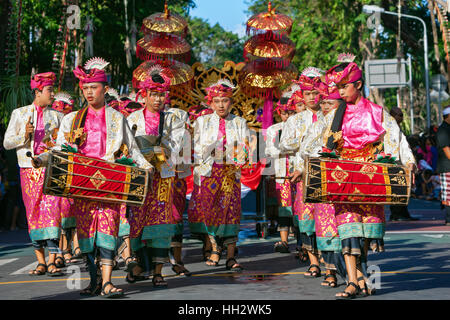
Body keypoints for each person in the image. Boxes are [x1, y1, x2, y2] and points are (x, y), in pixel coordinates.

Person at [35, 58, 152, 298]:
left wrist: (146, 166)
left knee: (108, 231)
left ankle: (108, 282)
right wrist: (41, 159)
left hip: (110, 183)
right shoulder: (72, 119)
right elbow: (60, 149)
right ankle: (94, 281)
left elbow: (133, 148)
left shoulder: (117, 119)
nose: (89, 92)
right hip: (82, 184)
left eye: (94, 88)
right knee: (87, 234)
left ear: (105, 89)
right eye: (85, 88)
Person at [299, 59, 415, 299]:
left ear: (358, 84)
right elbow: (312, 144)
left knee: (364, 233)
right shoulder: (334, 116)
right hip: (343, 177)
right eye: (338, 87)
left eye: (345, 86)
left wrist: (408, 161)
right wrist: (307, 164)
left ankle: (361, 275)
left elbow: (395, 137)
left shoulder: (377, 112)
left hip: (370, 178)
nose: (340, 91)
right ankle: (352, 281)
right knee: (348, 228)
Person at [126, 66, 186, 287]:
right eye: (154, 94)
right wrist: (144, 161)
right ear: (145, 95)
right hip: (140, 176)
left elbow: (176, 144)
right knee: (137, 221)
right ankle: (141, 264)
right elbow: (129, 146)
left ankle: (158, 271)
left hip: (164, 176)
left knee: (161, 221)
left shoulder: (174, 119)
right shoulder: (132, 118)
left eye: (162, 94)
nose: (158, 99)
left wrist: (155, 152)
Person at [3, 72, 65, 277]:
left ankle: (54, 259)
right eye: (49, 90)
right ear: (37, 92)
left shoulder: (57, 117)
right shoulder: (19, 113)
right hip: (28, 170)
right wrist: (25, 134)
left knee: (53, 213)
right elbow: (7, 143)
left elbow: (62, 146)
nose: (52, 94)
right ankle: (40, 261)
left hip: (50, 169)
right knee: (34, 214)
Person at [188, 79, 250, 272]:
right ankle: (215, 250)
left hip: (230, 175)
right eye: (217, 101)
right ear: (211, 102)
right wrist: (210, 150)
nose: (221, 104)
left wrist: (236, 155)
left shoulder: (239, 122)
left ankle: (230, 257)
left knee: (231, 213)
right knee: (210, 212)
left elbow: (246, 148)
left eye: (225, 100)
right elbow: (194, 149)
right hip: (208, 174)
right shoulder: (202, 122)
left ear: (231, 102)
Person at [280, 67, 325, 278]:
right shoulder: (295, 121)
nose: (312, 98)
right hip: (303, 175)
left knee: (327, 218)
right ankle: (314, 262)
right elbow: (285, 144)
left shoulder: (332, 115)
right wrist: (306, 140)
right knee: (306, 220)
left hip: (327, 174)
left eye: (315, 93)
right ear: (302, 95)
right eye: (307, 94)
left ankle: (328, 259)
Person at [265, 96, 296, 253]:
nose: (287, 116)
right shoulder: (274, 130)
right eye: (284, 113)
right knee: (284, 207)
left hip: (298, 170)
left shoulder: (300, 126)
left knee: (300, 206)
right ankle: (284, 241)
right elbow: (269, 150)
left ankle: (303, 243)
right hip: (282, 172)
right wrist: (286, 149)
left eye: (291, 112)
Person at [388, 107, 418, 221]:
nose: (401, 117)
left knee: (404, 189)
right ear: (392, 115)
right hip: (393, 163)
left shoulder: (397, 128)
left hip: (402, 163)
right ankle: (396, 214)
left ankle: (403, 213)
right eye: (399, 115)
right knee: (397, 189)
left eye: (402, 115)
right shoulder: (388, 128)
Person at [436, 106, 450, 225]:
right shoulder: (443, 130)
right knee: (448, 195)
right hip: (447, 166)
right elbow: (447, 151)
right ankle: (449, 218)